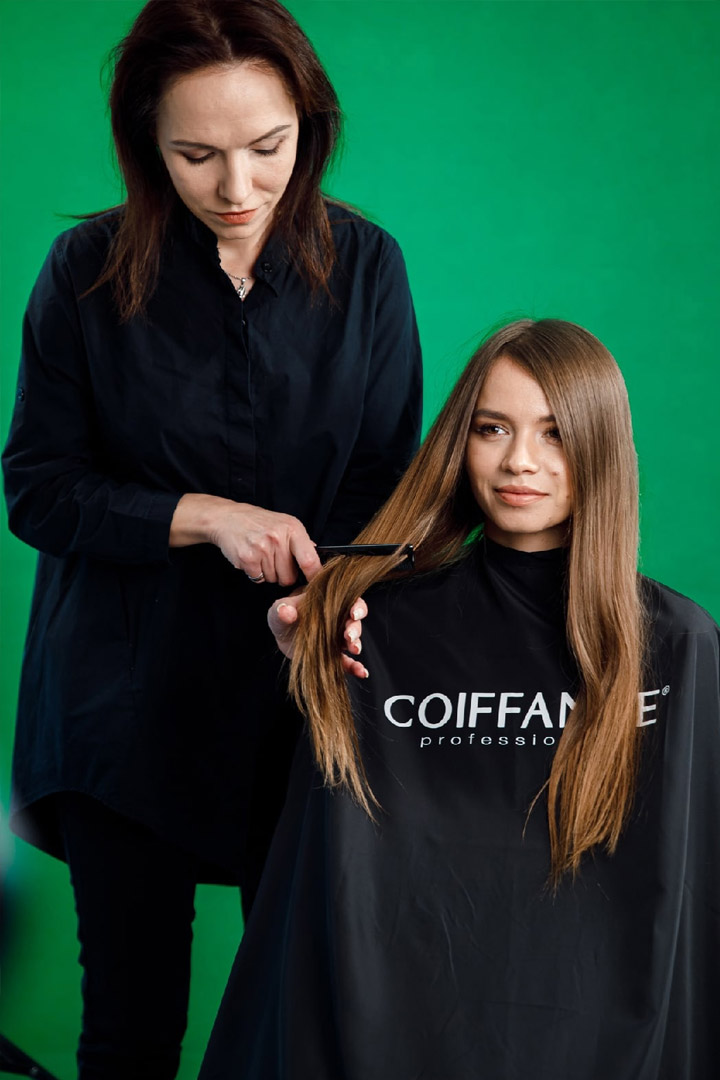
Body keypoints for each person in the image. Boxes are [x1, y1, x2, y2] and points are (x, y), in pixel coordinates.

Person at [1, 1, 421, 1077]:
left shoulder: (368, 266)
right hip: (121, 703)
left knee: (305, 1023)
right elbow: (38, 491)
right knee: (130, 1031)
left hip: (300, 700)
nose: (237, 187)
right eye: (196, 156)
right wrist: (204, 517)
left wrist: (324, 600)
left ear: (308, 126)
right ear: (147, 141)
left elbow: (385, 488)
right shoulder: (84, 270)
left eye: (267, 148)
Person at [200, 318, 720, 1080]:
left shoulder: (678, 646)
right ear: (459, 442)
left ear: (601, 447)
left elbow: (694, 900)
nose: (519, 461)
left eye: (554, 433)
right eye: (492, 428)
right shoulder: (372, 628)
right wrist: (304, 662)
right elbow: (318, 879)